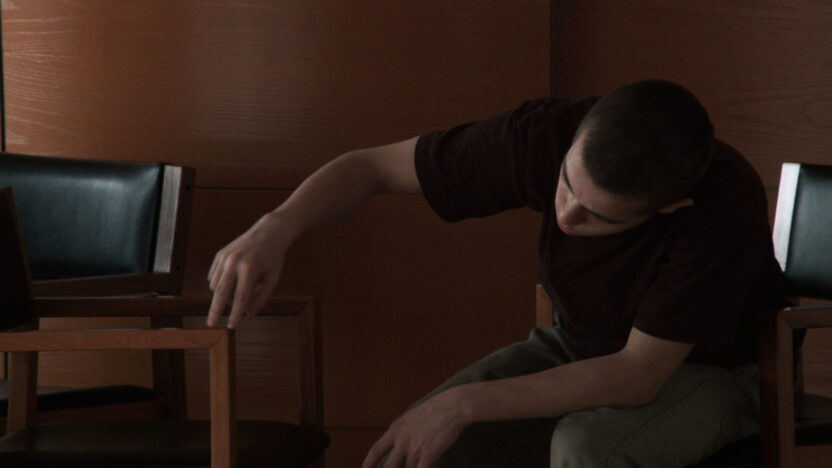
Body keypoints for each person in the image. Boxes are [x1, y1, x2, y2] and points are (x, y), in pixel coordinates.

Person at [206, 79, 785, 467]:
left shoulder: (721, 208)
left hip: (713, 371)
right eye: (566, 185)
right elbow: (370, 168)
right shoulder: (547, 133)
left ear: (669, 208)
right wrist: (276, 227)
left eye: (597, 217)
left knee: (586, 446)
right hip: (576, 345)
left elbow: (637, 376)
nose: (566, 215)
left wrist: (463, 403)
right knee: (410, 449)